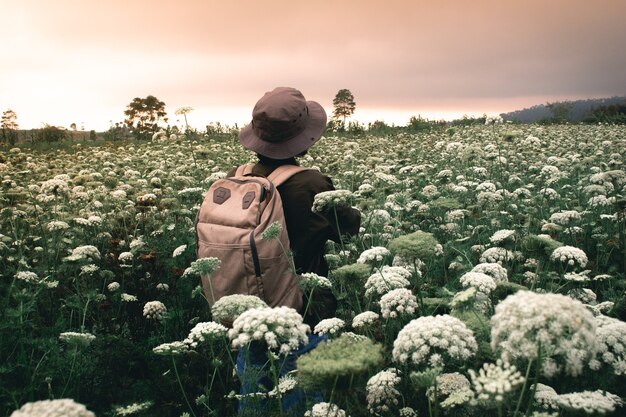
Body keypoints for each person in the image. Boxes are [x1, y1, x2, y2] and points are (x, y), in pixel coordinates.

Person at [230, 86, 361, 415]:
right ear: (303, 137)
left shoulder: (237, 179)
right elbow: (349, 230)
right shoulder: (311, 184)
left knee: (255, 395)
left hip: (248, 308)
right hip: (305, 309)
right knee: (303, 397)